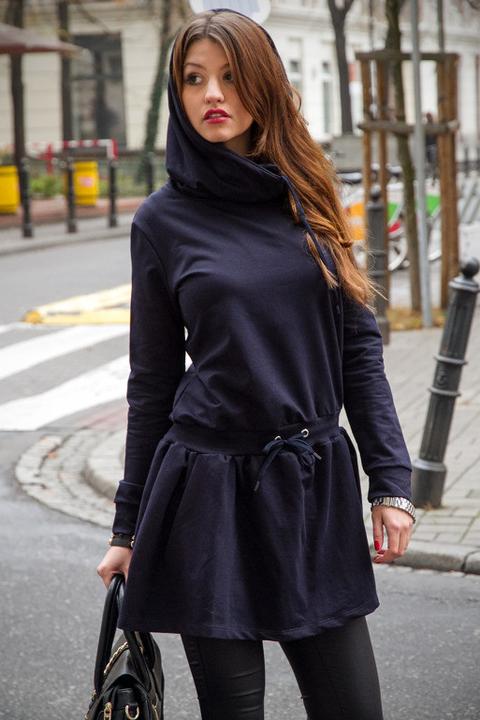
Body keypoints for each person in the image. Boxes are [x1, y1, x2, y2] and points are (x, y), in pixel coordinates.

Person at [97, 9, 415, 720]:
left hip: (311, 483)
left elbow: (358, 351)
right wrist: (127, 529)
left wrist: (391, 481)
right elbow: (152, 382)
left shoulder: (311, 193)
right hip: (207, 495)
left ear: (264, 85)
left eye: (231, 77)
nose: (212, 94)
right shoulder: (161, 221)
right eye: (194, 79)